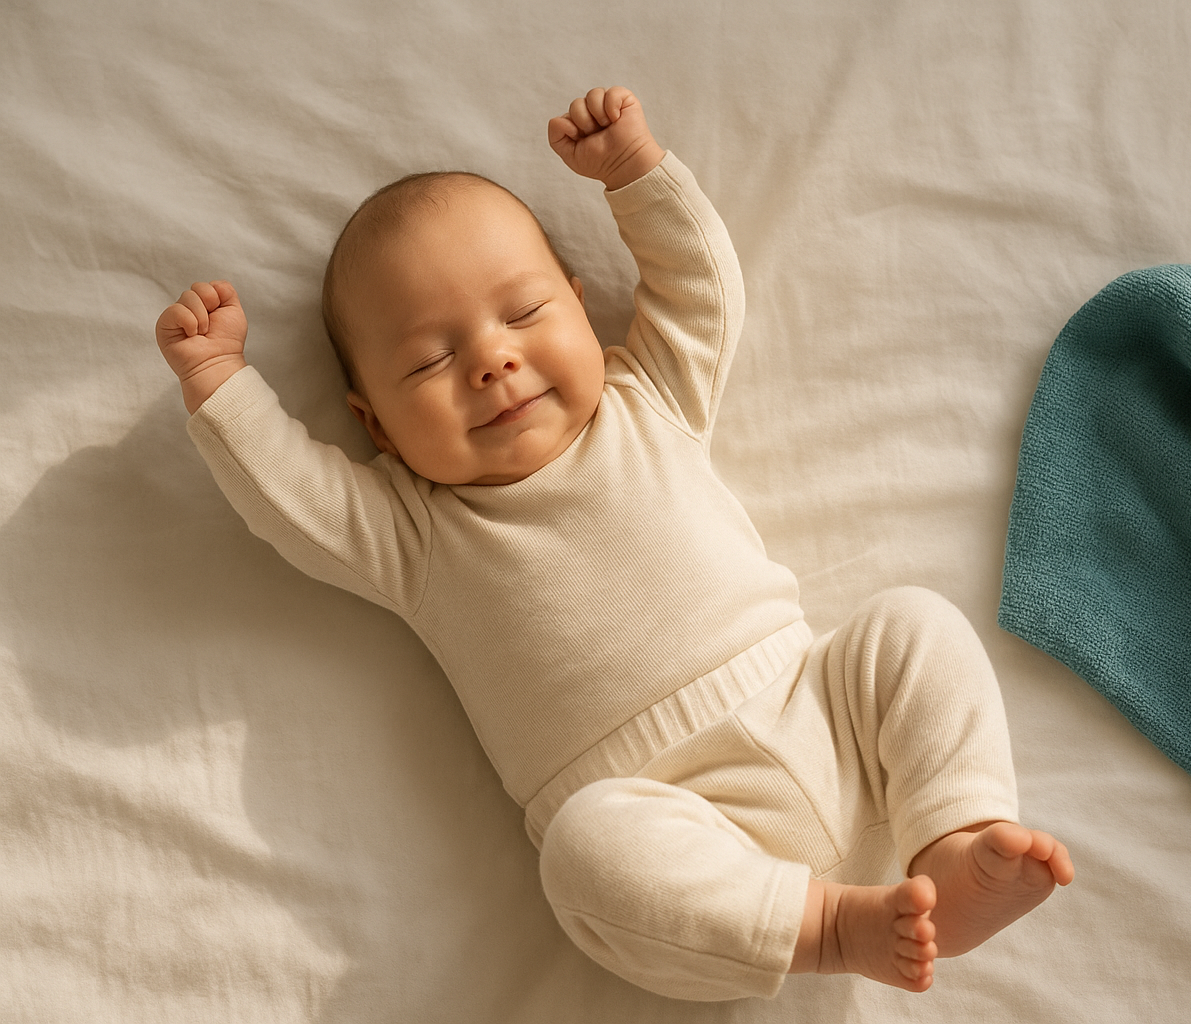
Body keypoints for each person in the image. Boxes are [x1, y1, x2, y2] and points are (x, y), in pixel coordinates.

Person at [154, 86, 1074, 1002]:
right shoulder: (414, 533)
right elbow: (293, 502)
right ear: (376, 426)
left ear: (579, 307)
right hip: (671, 832)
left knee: (911, 626)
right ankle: (833, 926)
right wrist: (218, 382)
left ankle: (954, 839)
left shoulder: (649, 400)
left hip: (819, 714)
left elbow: (702, 292)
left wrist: (636, 174)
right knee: (582, 850)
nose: (492, 360)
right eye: (431, 361)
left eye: (522, 314)